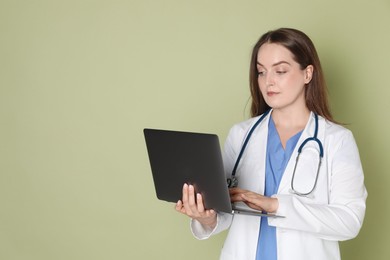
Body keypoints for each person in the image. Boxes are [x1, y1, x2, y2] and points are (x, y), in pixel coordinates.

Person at [175, 28, 367, 260]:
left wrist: (276, 205)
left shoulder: (336, 140)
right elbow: (227, 210)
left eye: (281, 71)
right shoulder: (241, 135)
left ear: (308, 74)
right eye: (261, 72)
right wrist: (206, 218)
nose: (269, 82)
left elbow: (349, 222)